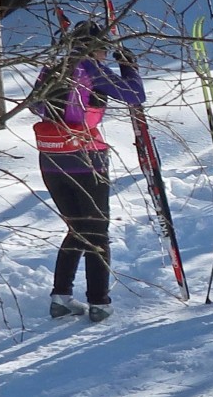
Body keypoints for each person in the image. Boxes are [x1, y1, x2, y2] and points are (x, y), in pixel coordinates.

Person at [27, 21, 146, 321]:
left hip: (51, 157)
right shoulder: (90, 67)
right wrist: (129, 66)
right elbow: (134, 95)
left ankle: (61, 296)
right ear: (99, 48)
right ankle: (99, 302)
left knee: (76, 229)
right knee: (97, 232)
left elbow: (33, 105)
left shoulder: (54, 67)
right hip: (86, 158)